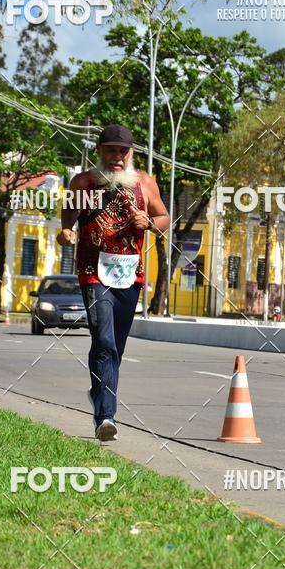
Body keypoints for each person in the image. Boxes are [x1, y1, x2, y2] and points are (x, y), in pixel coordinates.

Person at [57, 124, 169, 442]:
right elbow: (67, 221)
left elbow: (164, 219)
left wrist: (149, 222)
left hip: (129, 275)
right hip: (93, 273)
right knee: (104, 340)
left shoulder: (145, 184)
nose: (116, 157)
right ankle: (106, 417)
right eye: (110, 151)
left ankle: (99, 393)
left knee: (114, 348)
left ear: (131, 154)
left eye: (122, 151)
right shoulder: (84, 183)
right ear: (100, 151)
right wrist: (66, 233)